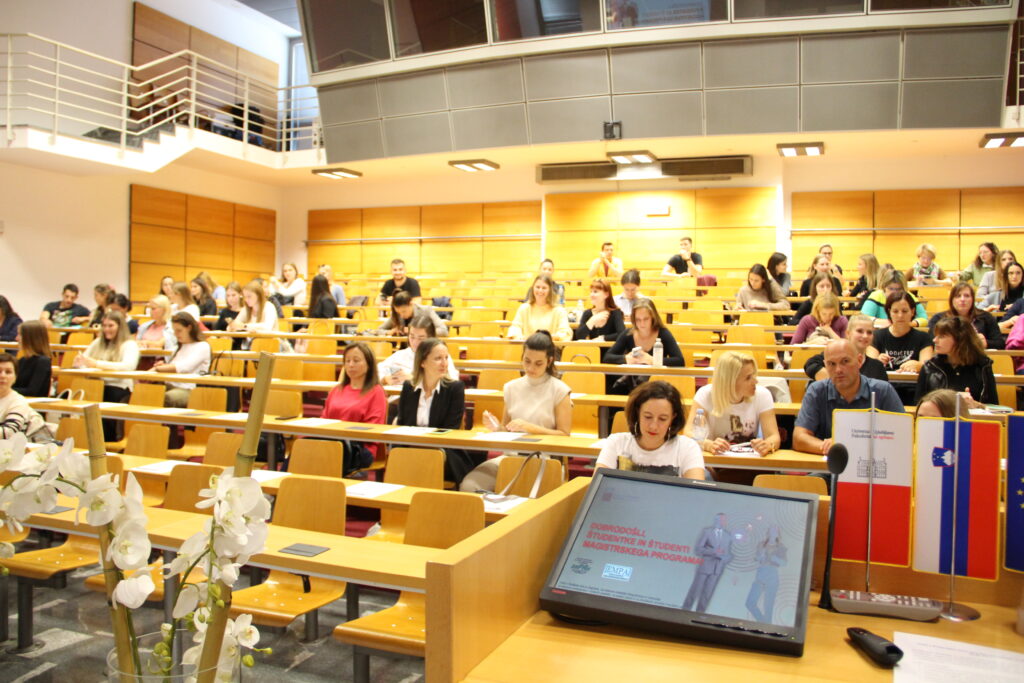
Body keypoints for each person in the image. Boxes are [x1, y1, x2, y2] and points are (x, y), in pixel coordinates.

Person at [793, 339, 904, 455]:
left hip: (873, 462)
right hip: (829, 463)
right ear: (825, 365)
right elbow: (799, 438)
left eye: (845, 361)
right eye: (831, 364)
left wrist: (848, 444)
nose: (838, 370)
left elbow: (902, 436)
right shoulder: (816, 391)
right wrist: (832, 448)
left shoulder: (883, 390)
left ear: (859, 361)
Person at [396, 338, 479, 484]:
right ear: (423, 362)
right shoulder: (409, 387)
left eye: (446, 358)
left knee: (422, 461)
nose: (444, 363)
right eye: (438, 358)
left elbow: (450, 430)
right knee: (399, 457)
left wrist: (421, 443)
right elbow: (403, 424)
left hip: (443, 450)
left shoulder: (455, 388)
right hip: (411, 447)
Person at [597, 380, 704, 477]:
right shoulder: (616, 443)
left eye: (662, 419)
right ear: (638, 413)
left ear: (673, 417)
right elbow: (598, 486)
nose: (653, 426)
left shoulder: (688, 448)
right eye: (648, 417)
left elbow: (696, 491)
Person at [685, 351, 780, 455]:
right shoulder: (705, 394)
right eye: (748, 378)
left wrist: (768, 445)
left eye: (754, 375)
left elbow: (774, 436)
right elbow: (688, 433)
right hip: (714, 458)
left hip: (749, 459)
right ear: (730, 381)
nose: (755, 381)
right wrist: (708, 445)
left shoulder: (763, 395)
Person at [484, 331, 572, 437]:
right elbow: (506, 429)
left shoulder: (560, 390)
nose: (531, 368)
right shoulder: (511, 387)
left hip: (545, 447)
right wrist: (497, 428)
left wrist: (531, 428)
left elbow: (564, 434)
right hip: (515, 446)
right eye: (527, 361)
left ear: (549, 361)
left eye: (538, 363)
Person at [321, 341, 388, 473]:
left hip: (360, 448)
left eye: (356, 361)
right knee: (304, 446)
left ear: (369, 364)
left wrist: (342, 433)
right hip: (332, 441)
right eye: (347, 361)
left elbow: (373, 428)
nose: (351, 365)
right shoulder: (336, 390)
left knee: (323, 455)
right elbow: (324, 419)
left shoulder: (376, 392)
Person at [75, 310, 141, 438]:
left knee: (107, 396)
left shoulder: (129, 345)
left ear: (120, 327)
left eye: (111, 326)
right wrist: (81, 363)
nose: (106, 329)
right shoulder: (97, 342)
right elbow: (84, 360)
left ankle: (108, 438)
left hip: (118, 386)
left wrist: (97, 364)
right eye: (104, 325)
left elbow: (128, 366)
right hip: (95, 384)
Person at [866, 291, 934, 404]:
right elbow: (869, 364)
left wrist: (919, 365)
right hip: (883, 390)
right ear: (889, 312)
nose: (900, 315)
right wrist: (877, 362)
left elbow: (928, 365)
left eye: (905, 311)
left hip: (913, 391)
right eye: (895, 311)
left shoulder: (923, 338)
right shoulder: (877, 336)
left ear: (912, 311)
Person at [915, 316, 998, 406]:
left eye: (942, 336)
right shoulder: (930, 366)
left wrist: (977, 405)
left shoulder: (983, 366)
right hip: (939, 414)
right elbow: (918, 404)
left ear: (960, 339)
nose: (934, 340)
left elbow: (993, 405)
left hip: (972, 415)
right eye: (936, 335)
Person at [606, 299, 684, 394]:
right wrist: (626, 358)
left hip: (657, 386)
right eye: (638, 320)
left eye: (646, 319)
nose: (642, 324)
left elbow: (680, 361)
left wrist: (652, 360)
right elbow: (607, 357)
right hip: (629, 385)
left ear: (653, 317)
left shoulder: (663, 333)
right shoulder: (628, 334)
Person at [378, 316, 458, 386]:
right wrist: (385, 379)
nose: (415, 342)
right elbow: (377, 372)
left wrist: (413, 379)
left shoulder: (441, 356)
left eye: (421, 338)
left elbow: (452, 381)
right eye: (412, 337)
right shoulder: (400, 355)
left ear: (431, 338)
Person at [152, 313, 212, 407]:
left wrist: (159, 368)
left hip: (189, 389)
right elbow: (171, 367)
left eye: (179, 330)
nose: (176, 334)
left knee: (167, 398)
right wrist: (162, 366)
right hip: (170, 385)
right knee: (143, 393)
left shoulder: (202, 346)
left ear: (189, 328)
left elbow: (184, 368)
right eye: (174, 331)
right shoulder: (180, 346)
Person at [805, 315, 887, 383]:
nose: (865, 336)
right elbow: (810, 364)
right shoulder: (833, 356)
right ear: (848, 333)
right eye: (860, 331)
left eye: (869, 332)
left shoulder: (878, 367)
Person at [682, 512, 733, 613]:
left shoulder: (727, 536)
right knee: (694, 591)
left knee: (707, 595)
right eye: (722, 519)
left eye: (725, 520)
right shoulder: (707, 532)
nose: (724, 522)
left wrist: (727, 558)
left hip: (717, 569)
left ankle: (700, 615)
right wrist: (714, 552)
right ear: (716, 520)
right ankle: (684, 612)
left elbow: (727, 553)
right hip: (705, 567)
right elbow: (698, 550)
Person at [928, 282, 1003, 349]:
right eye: (958, 296)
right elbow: (930, 342)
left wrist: (986, 343)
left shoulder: (986, 317)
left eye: (967, 296)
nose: (962, 299)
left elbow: (1000, 343)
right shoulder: (938, 318)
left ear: (973, 299)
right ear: (951, 300)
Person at [0, 353, 49, 441]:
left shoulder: (18, 401)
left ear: (15, 377)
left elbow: (9, 433)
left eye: (8, 372)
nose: (3, 376)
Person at [507, 275, 571, 341]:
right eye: (537, 287)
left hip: (551, 346)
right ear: (533, 289)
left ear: (550, 290)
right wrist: (518, 336)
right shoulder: (524, 308)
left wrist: (551, 337)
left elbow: (565, 332)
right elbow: (515, 327)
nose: (540, 290)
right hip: (528, 346)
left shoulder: (559, 311)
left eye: (544, 288)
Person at [744, 525, 786, 625]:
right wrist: (760, 557)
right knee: (750, 603)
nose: (773, 533)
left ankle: (766, 628)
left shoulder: (781, 547)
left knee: (768, 606)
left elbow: (784, 563)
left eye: (775, 531)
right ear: (768, 532)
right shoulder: (761, 544)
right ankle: (764, 623)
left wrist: (776, 559)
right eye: (771, 530)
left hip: (772, 575)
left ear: (778, 534)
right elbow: (756, 558)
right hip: (761, 574)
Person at [860, 269, 928, 328]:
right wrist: (886, 322)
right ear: (884, 287)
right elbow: (863, 318)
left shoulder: (910, 297)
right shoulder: (876, 296)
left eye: (899, 289)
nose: (894, 292)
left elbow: (924, 318)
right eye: (891, 288)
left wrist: (910, 324)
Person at [573, 280, 626, 349]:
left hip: (611, 352)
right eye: (591, 291)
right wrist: (592, 320)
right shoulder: (587, 313)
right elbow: (579, 336)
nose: (591, 295)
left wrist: (603, 338)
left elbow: (622, 334)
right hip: (592, 352)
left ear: (606, 294)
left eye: (595, 292)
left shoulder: (615, 312)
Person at [377, 290, 448, 337]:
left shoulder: (426, 310)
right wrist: (389, 332)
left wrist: (419, 332)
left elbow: (443, 331)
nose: (401, 315)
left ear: (411, 304)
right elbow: (378, 330)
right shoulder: (397, 314)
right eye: (398, 312)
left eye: (404, 311)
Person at [12, 320, 52, 398]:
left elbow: (32, 392)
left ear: (30, 338)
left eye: (20, 335)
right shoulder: (22, 360)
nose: (16, 338)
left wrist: (5, 390)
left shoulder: (43, 362)